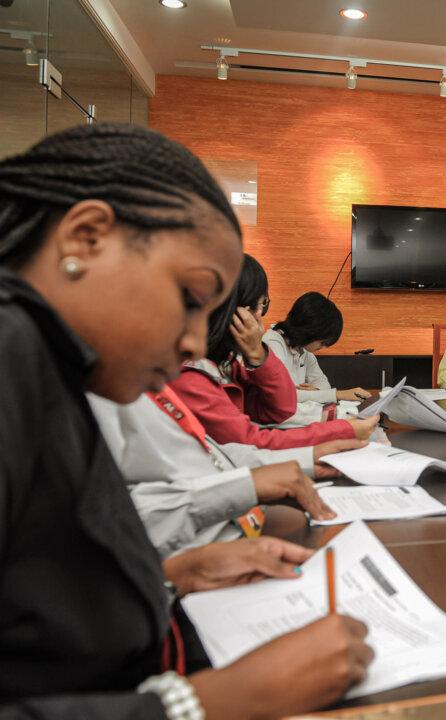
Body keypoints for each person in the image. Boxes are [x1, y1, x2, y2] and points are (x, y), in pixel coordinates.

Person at [0, 124, 372, 718]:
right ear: (85, 237)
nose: (197, 338)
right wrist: (206, 703)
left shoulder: (52, 367)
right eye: (190, 297)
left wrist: (168, 576)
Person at [88, 293, 364, 556]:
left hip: (231, 532)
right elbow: (120, 518)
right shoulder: (173, 377)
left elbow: (218, 451)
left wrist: (307, 457)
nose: (259, 324)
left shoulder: (171, 372)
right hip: (206, 547)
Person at [170, 255, 378, 449]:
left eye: (263, 307)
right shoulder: (192, 373)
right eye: (254, 307)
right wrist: (340, 429)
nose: (259, 321)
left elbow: (281, 408)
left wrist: (259, 355)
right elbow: (251, 438)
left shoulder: (232, 363)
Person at [263, 291, 371, 403]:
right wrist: (338, 394)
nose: (323, 347)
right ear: (311, 330)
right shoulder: (273, 344)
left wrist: (316, 392)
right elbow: (282, 396)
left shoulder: (303, 350)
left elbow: (324, 385)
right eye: (323, 342)